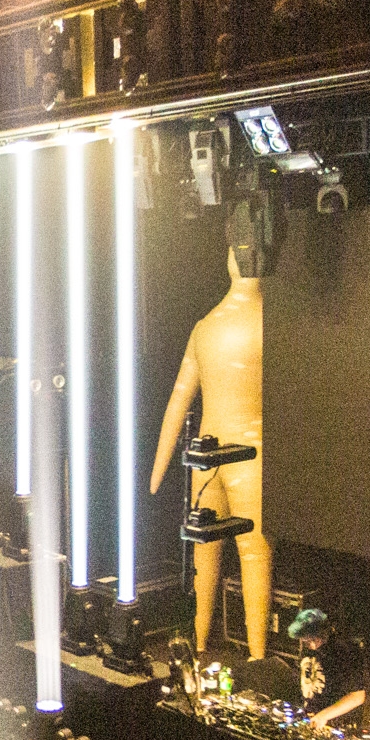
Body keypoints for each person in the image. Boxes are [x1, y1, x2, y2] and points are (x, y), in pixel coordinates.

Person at [149, 211, 271, 658]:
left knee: (206, 552)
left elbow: (178, 400)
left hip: (207, 456)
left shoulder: (206, 326)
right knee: (253, 552)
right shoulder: (269, 322)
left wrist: (159, 469)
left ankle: (200, 645)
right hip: (252, 456)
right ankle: (256, 655)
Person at [286, 607, 365, 726]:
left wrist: (324, 715)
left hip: (334, 722)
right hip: (310, 718)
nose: (312, 645)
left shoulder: (346, 652)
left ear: (325, 631)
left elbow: (357, 696)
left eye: (315, 639)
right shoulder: (308, 649)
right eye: (306, 641)